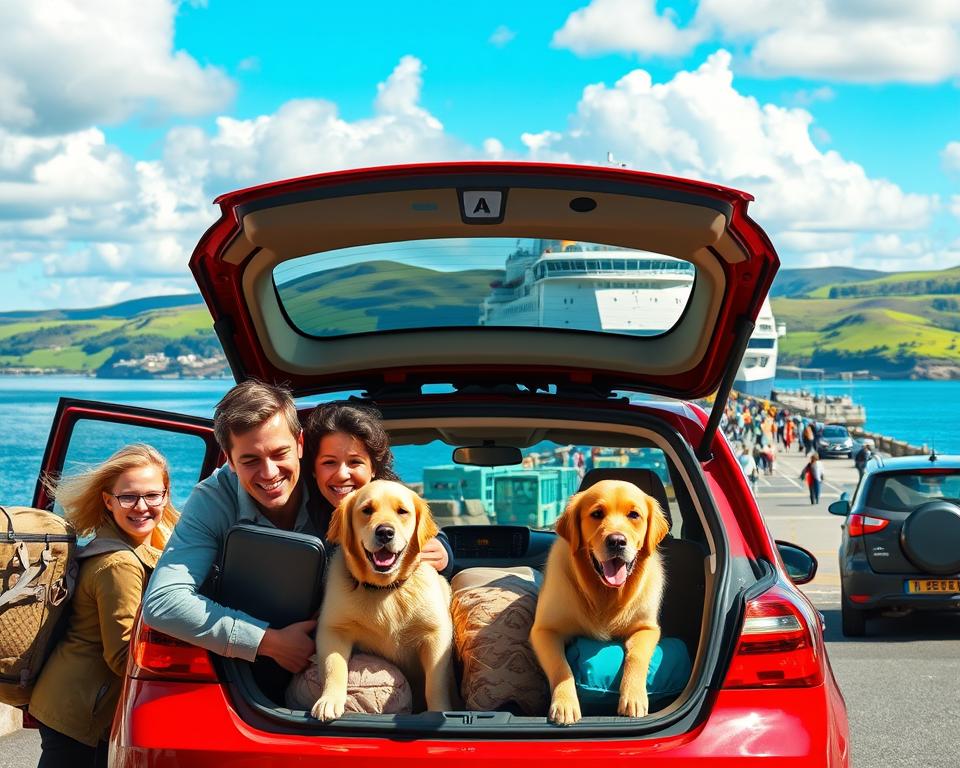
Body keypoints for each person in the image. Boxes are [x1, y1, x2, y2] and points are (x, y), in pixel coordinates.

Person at [142, 380, 452, 676]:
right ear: (230, 462)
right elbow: (163, 603)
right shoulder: (214, 499)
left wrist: (442, 549)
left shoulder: (331, 477)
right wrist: (268, 642)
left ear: (300, 444)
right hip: (246, 670)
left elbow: (396, 507)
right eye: (250, 460)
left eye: (280, 453)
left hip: (349, 644)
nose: (269, 473)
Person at [29, 444, 178, 768]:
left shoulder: (126, 544)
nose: (142, 506)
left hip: (71, 698)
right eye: (128, 497)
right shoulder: (119, 563)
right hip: (79, 708)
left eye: (153, 495)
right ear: (108, 501)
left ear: (166, 496)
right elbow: (122, 655)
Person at [302, 399, 452, 573]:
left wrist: (443, 553)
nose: (342, 474)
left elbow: (425, 528)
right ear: (313, 469)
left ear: (373, 468)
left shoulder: (389, 494)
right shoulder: (301, 511)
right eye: (329, 462)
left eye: (355, 462)